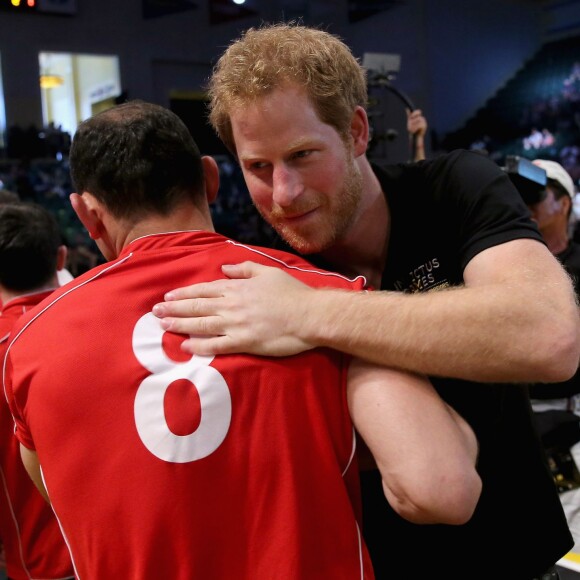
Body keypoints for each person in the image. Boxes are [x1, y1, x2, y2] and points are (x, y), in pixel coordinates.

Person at [151, 23, 580, 579]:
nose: (283, 194)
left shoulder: (454, 188)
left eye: (303, 154)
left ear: (356, 131)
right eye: (258, 167)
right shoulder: (260, 274)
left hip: (519, 556)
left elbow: (550, 338)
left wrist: (312, 313)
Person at [3, 100, 481, 579]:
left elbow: (61, 493)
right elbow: (438, 487)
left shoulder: (28, 344)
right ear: (210, 179)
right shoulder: (319, 296)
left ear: (86, 214)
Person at [0, 202, 74, 580]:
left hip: (42, 561)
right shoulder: (101, 322)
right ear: (61, 257)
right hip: (122, 551)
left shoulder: (5, 348)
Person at [525, 159, 580, 555]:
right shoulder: (495, 266)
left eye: (535, 194)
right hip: (518, 421)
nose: (523, 204)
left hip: (573, 426)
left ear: (563, 203)